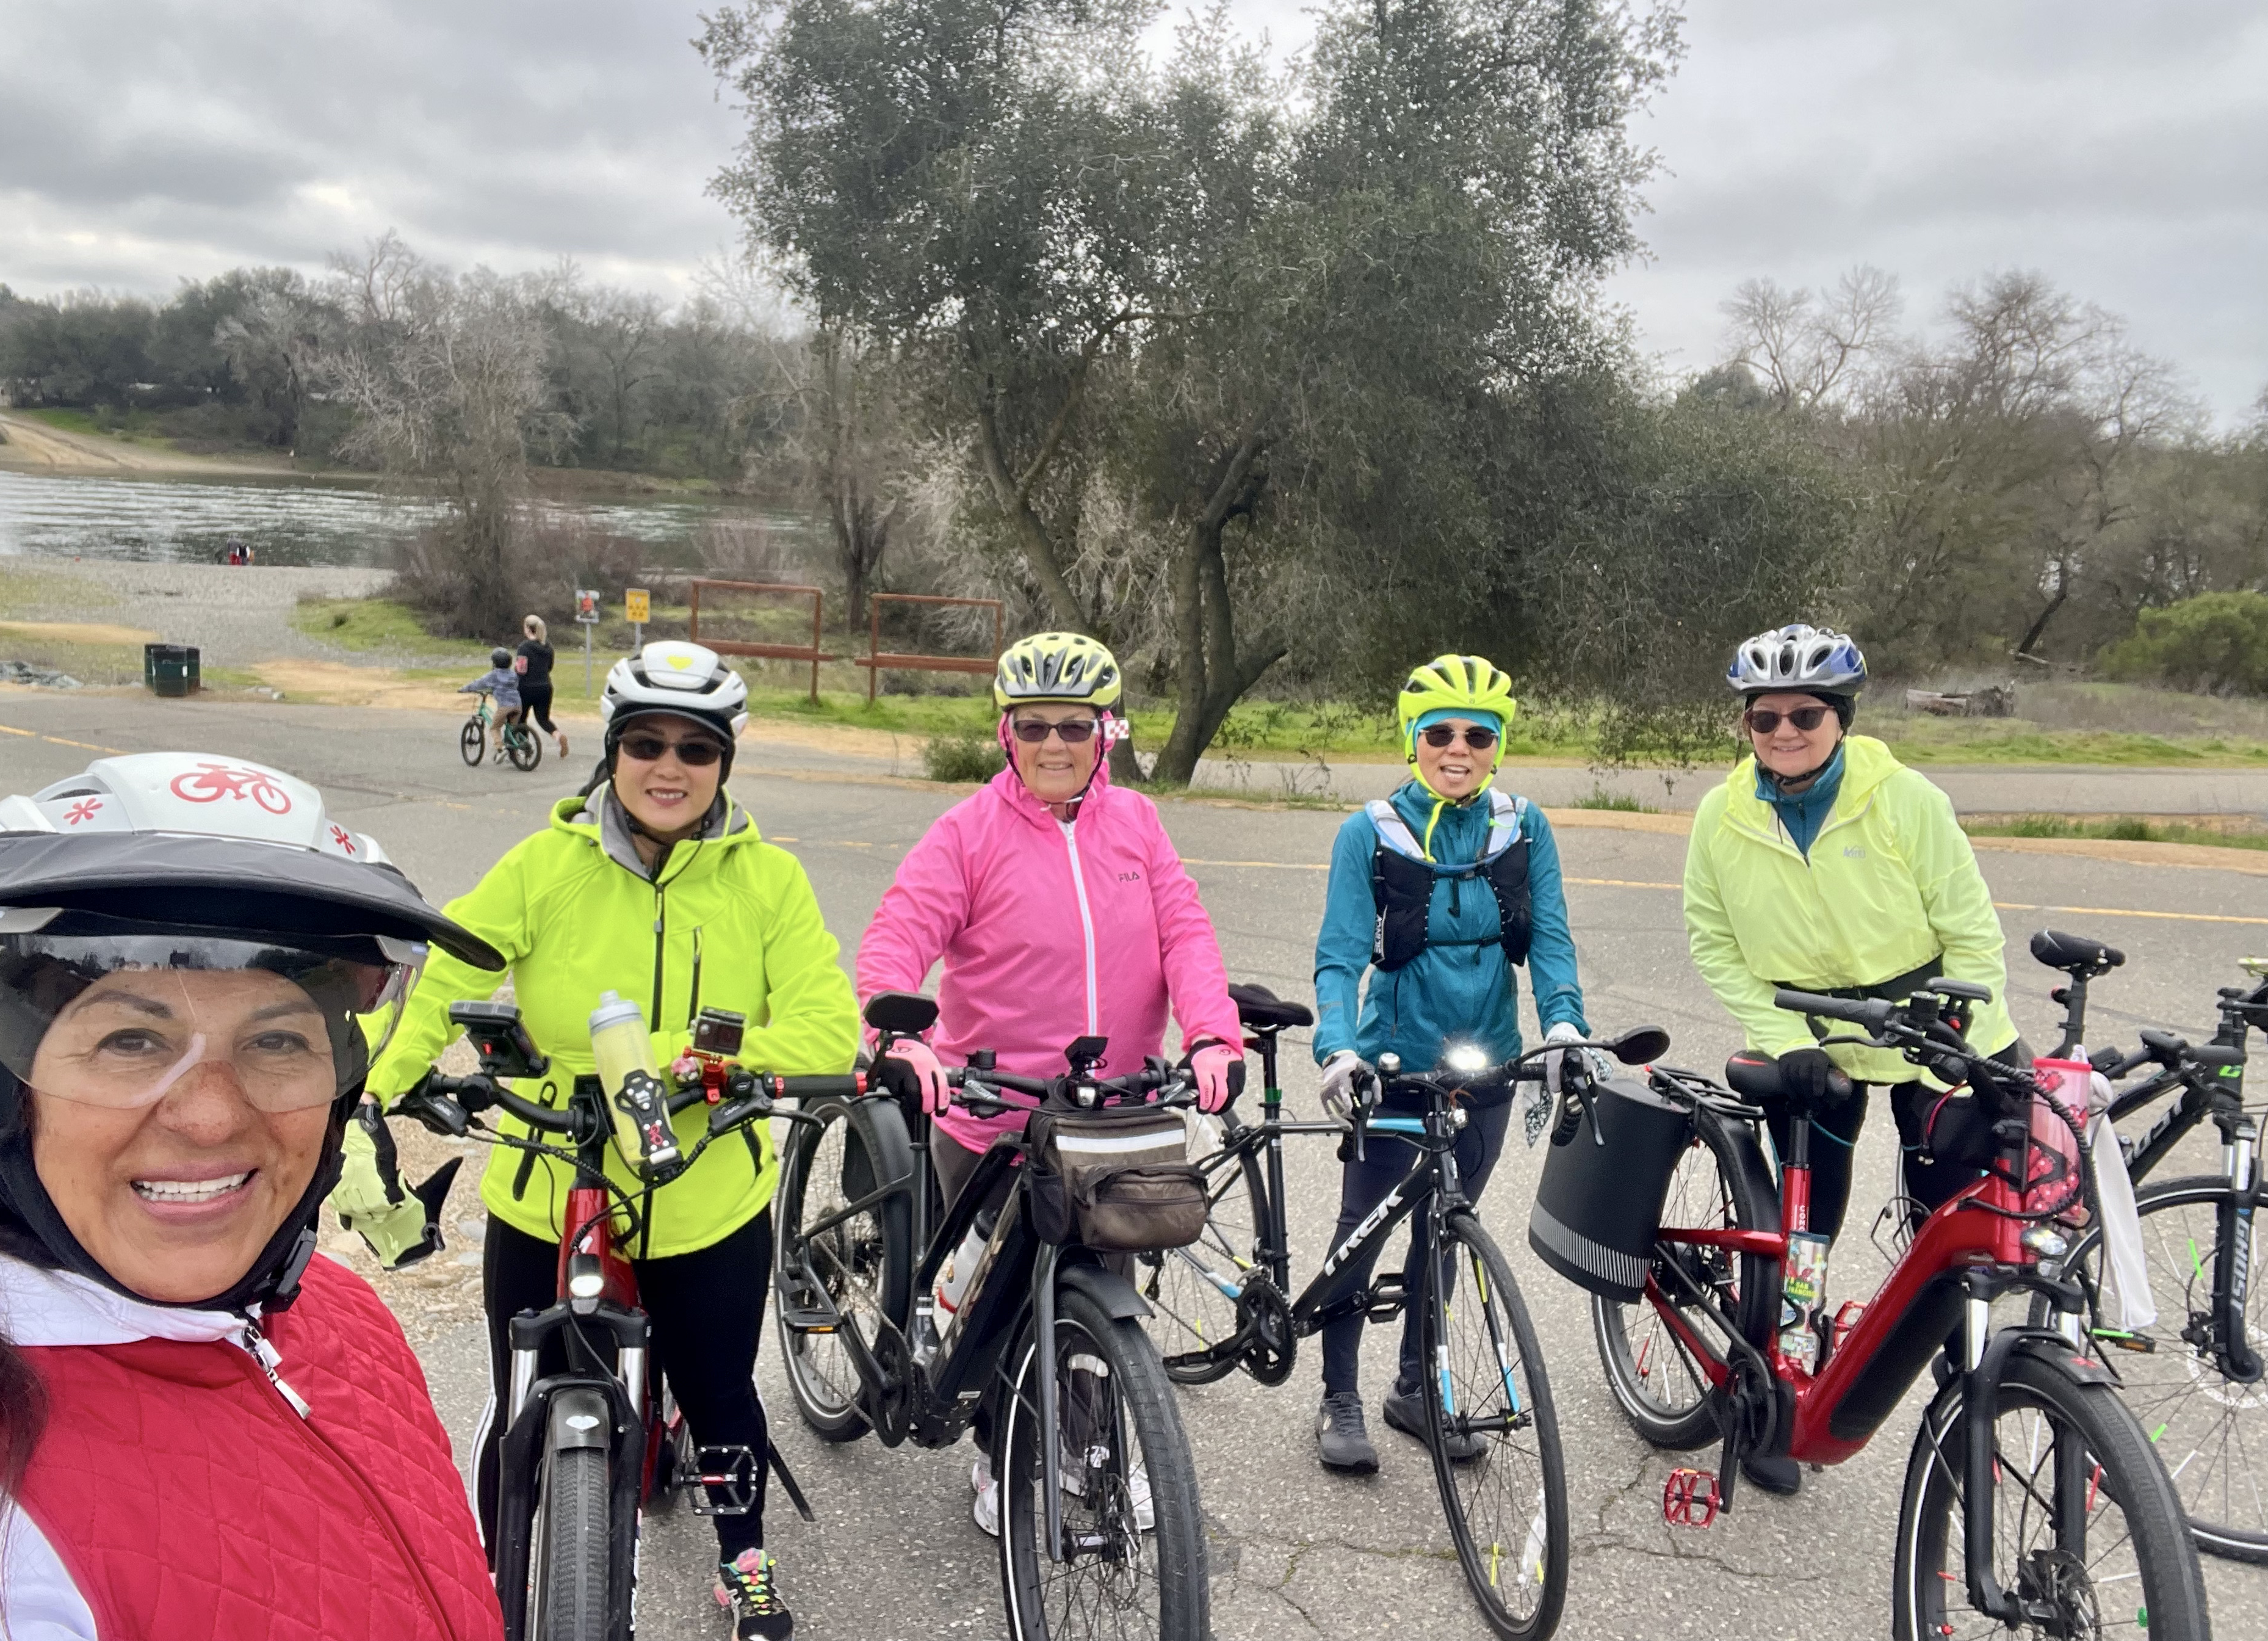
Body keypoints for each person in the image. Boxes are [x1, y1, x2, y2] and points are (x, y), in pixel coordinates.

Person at [0, 752, 506, 1640]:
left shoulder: (339, 1311)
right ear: (6, 1095)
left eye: (278, 1041)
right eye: (132, 1041)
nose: (211, 1117)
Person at [347, 639, 858, 1640]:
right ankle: (492, 1572)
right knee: (518, 1395)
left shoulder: (769, 882)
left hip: (705, 1189)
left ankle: (742, 1554)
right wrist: (372, 1090)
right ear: (613, 751)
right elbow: (446, 976)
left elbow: (826, 1027)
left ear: (724, 763)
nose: (669, 767)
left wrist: (682, 1062)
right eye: (645, 743)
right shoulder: (545, 866)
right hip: (552, 1178)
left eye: (696, 749)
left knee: (720, 1394)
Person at [854, 630, 1245, 1534]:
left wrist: (1212, 1035)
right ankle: (999, 1453)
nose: (1055, 745)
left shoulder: (1137, 823)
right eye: (1034, 727)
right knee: (1001, 1305)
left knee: (1103, 1285)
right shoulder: (967, 833)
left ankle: (1089, 1448)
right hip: (993, 1112)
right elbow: (897, 937)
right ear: (1007, 734)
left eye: (1075, 726)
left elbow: (1185, 932)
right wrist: (897, 1037)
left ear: (1105, 733)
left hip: (1114, 1115)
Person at [1683, 622, 2021, 1496]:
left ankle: (1969, 1395)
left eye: (1806, 715)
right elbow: (1714, 942)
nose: (1785, 733)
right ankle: (1780, 1389)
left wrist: (1954, 1028)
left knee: (1955, 1230)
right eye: (1765, 718)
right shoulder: (1722, 815)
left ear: (1841, 718)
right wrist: (1786, 1040)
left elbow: (1972, 932)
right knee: (1807, 1226)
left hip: (1932, 1028)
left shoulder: (1906, 801)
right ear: (1746, 725)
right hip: (1812, 1036)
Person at [1308, 654, 1591, 1475]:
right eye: (1439, 734)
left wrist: (1564, 1024)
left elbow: (1552, 940)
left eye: (1477, 735)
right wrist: (1339, 1048)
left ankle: (1416, 1390)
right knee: (1361, 1232)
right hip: (1395, 1067)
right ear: (1413, 742)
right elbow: (1339, 956)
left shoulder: (1524, 828)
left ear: (1498, 746)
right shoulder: (1370, 833)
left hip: (1489, 1069)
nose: (1457, 749)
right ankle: (1339, 1396)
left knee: (1444, 1229)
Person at [515, 615, 567, 757]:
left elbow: (521, 670)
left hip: (526, 688)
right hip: (545, 687)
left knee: (521, 719)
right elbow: (550, 667)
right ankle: (558, 736)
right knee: (543, 719)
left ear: (528, 629)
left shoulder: (524, 647)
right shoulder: (548, 647)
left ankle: (524, 748)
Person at [461, 646, 523, 734]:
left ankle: (499, 743)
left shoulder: (494, 675)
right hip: (518, 705)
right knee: (512, 728)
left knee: (495, 729)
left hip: (505, 707)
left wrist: (465, 689)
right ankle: (513, 740)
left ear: (495, 663)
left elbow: (479, 683)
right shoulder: (513, 675)